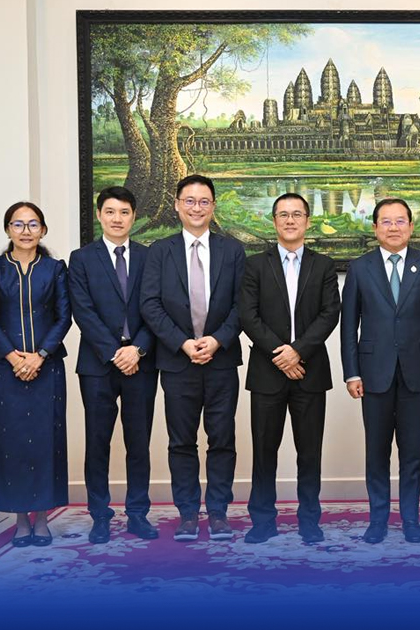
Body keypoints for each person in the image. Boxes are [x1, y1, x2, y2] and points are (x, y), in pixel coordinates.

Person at [141, 174, 246, 542]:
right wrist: (183, 343)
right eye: (189, 201)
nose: (196, 208)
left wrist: (217, 340)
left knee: (222, 440)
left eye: (204, 202)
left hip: (221, 361)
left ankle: (218, 513)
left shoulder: (233, 251)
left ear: (212, 207)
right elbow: (150, 304)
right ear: (177, 205)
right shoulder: (160, 250)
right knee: (181, 442)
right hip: (177, 362)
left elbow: (242, 305)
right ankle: (187, 513)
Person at [341, 198, 420, 544]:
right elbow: (348, 327)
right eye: (386, 222)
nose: (393, 228)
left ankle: (410, 519)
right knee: (377, 451)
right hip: (373, 373)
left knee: (412, 451)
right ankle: (377, 519)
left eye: (400, 221)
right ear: (375, 228)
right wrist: (352, 373)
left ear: (411, 227)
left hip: (417, 372)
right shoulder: (360, 268)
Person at [238, 193, 340, 544]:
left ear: (308, 221)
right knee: (264, 452)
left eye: (297, 214)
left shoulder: (324, 265)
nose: (290, 220)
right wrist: (280, 354)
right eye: (283, 214)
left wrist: (298, 352)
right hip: (267, 373)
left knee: (309, 453)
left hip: (310, 372)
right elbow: (248, 315)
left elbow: (330, 313)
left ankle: (309, 521)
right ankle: (262, 521)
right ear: (274, 221)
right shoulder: (255, 265)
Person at [68, 186, 159, 544]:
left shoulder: (150, 256)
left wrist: (137, 349)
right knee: (97, 443)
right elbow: (83, 311)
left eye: (124, 212)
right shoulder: (81, 258)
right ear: (99, 215)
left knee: (139, 443)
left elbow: (157, 308)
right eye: (110, 211)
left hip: (141, 363)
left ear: (134, 216)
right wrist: (114, 352)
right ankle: (100, 516)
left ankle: (137, 514)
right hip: (97, 365)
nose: (117, 219)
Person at [0, 202, 72, 547]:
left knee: (46, 441)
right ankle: (20, 519)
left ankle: (43, 517)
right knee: (12, 443)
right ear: (8, 230)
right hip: (5, 370)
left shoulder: (55, 269)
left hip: (47, 367)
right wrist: (13, 357)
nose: (26, 231)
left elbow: (64, 317)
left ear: (43, 230)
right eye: (18, 224)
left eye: (33, 224)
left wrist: (40, 356)